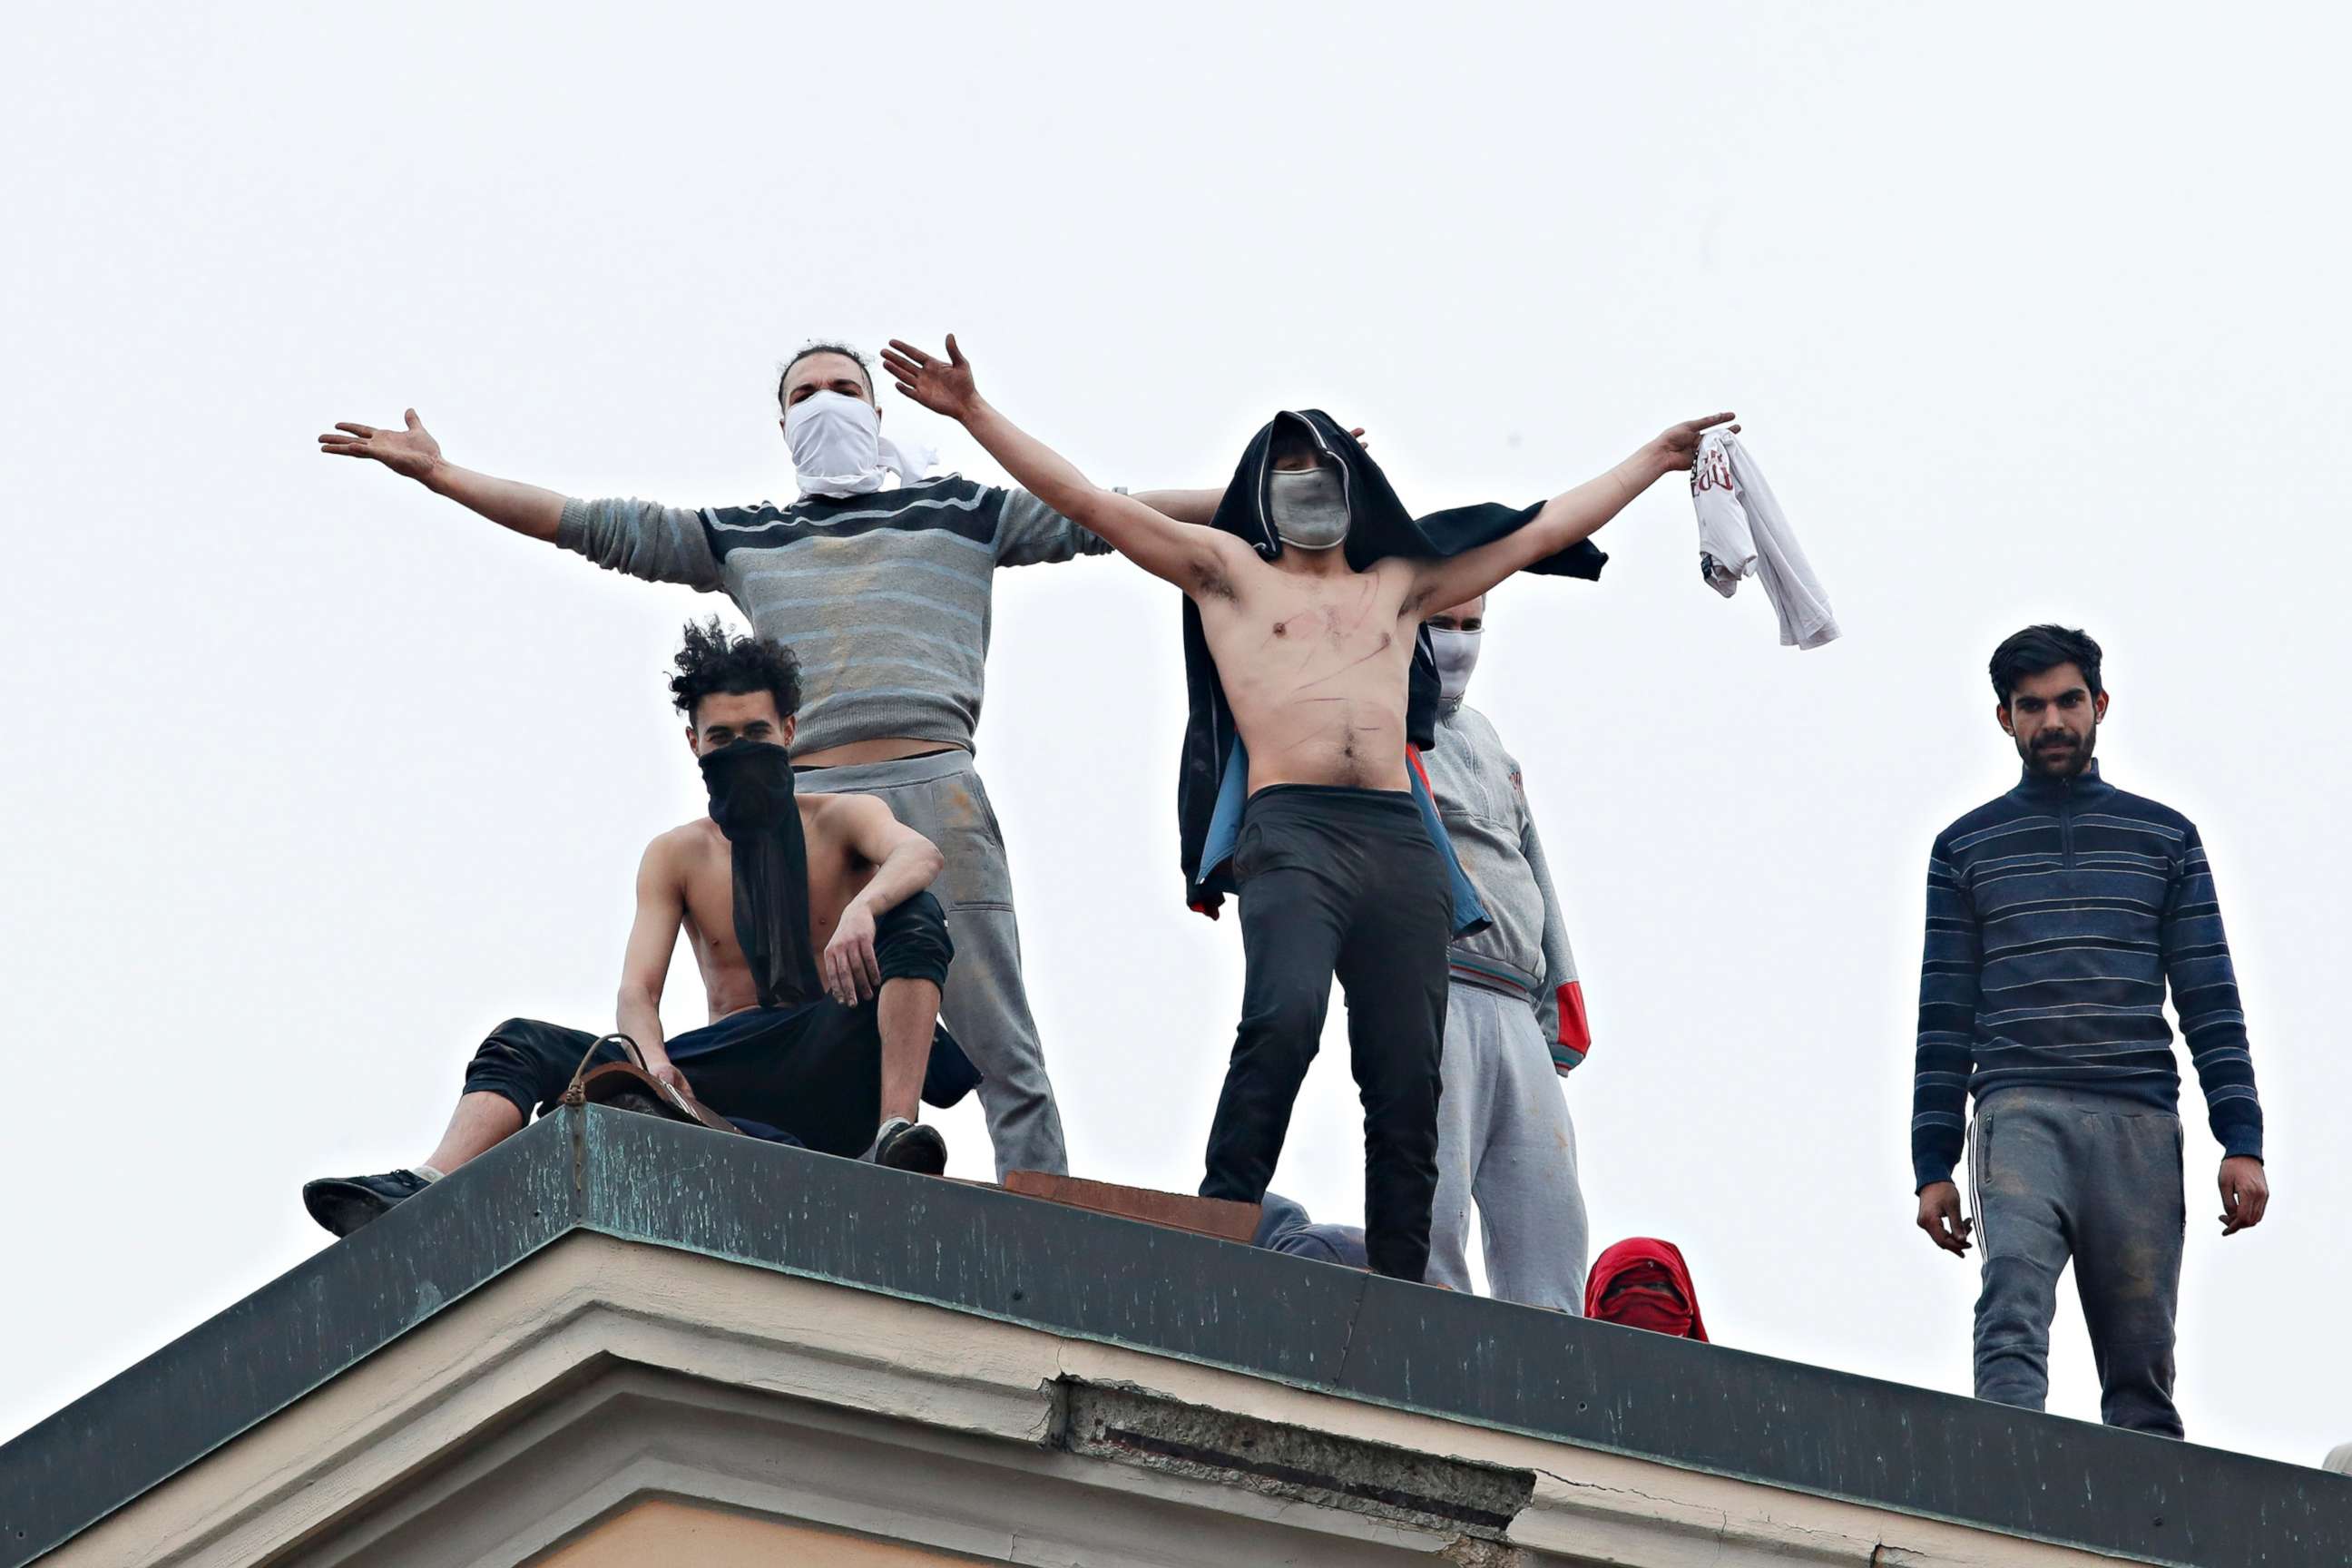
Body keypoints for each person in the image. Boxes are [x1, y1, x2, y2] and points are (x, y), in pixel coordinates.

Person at [882, 332, 1728, 1282]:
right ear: (1259, 488)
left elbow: (1537, 529)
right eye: (1285, 468)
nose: (1306, 482)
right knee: (1280, 1022)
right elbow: (1086, 500)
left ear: (1353, 479)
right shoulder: (1226, 572)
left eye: (1320, 465)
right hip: (1294, 833)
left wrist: (1656, 459)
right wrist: (973, 411)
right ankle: (1220, 1223)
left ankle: (1405, 1282)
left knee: (1407, 1074)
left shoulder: (1399, 584)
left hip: (1398, 840)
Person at [318, 344, 1228, 1180]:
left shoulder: (965, 511)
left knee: (1000, 1040)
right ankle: (793, 1155)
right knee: (785, 1003)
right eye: (804, 395)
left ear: (879, 414)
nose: (824, 404)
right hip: (808, 804)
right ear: (781, 426)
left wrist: (1264, 490)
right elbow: (594, 527)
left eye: (844, 390)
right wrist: (442, 475)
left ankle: (1046, 1219)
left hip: (934, 788)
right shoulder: (748, 535)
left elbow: (1110, 514)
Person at [301, 620, 978, 1236]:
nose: (739, 751)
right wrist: (652, 1065)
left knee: (912, 911)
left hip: (834, 1054)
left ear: (791, 732)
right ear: (693, 743)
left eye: (756, 735)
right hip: (726, 1074)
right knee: (523, 1045)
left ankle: (898, 1133)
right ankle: (426, 1189)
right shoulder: (678, 854)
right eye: (721, 738)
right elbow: (637, 992)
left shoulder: (843, 818)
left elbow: (920, 853)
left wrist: (862, 908)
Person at [1911, 625, 2269, 1437]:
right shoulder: (1965, 849)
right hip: (2020, 1110)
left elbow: (2210, 996)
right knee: (2011, 1308)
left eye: (2069, 700)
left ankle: (2144, 1536)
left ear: (2100, 705)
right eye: (2031, 706)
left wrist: (2240, 1139)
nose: (2053, 721)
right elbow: (1945, 1014)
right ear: (2004, 719)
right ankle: (1998, 1504)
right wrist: (1931, 1163)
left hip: (2137, 1121)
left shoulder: (2164, 838)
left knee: (2142, 1363)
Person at [1418, 593, 1591, 1310]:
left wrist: (1564, 1002)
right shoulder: (1376, 720)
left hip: (1517, 1001)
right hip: (1437, 989)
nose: (1460, 643)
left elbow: (1531, 864)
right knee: (1433, 1199)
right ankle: (1431, 1346)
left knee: (1550, 1213)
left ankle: (1555, 1374)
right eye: (1443, 624)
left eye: (1472, 625)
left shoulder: (1490, 742)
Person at [1584, 1239, 1708, 1340]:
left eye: (1654, 1287)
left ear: (1682, 1297)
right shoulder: (1568, 1368)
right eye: (1620, 1290)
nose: (1637, 1294)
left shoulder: (1720, 1369)